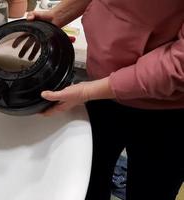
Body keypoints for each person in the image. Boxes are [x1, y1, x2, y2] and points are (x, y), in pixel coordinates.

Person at [22, 0, 184, 199]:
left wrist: (88, 92)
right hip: (100, 87)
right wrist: (60, 14)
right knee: (88, 181)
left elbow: (180, 63)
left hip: (167, 111)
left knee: (151, 191)